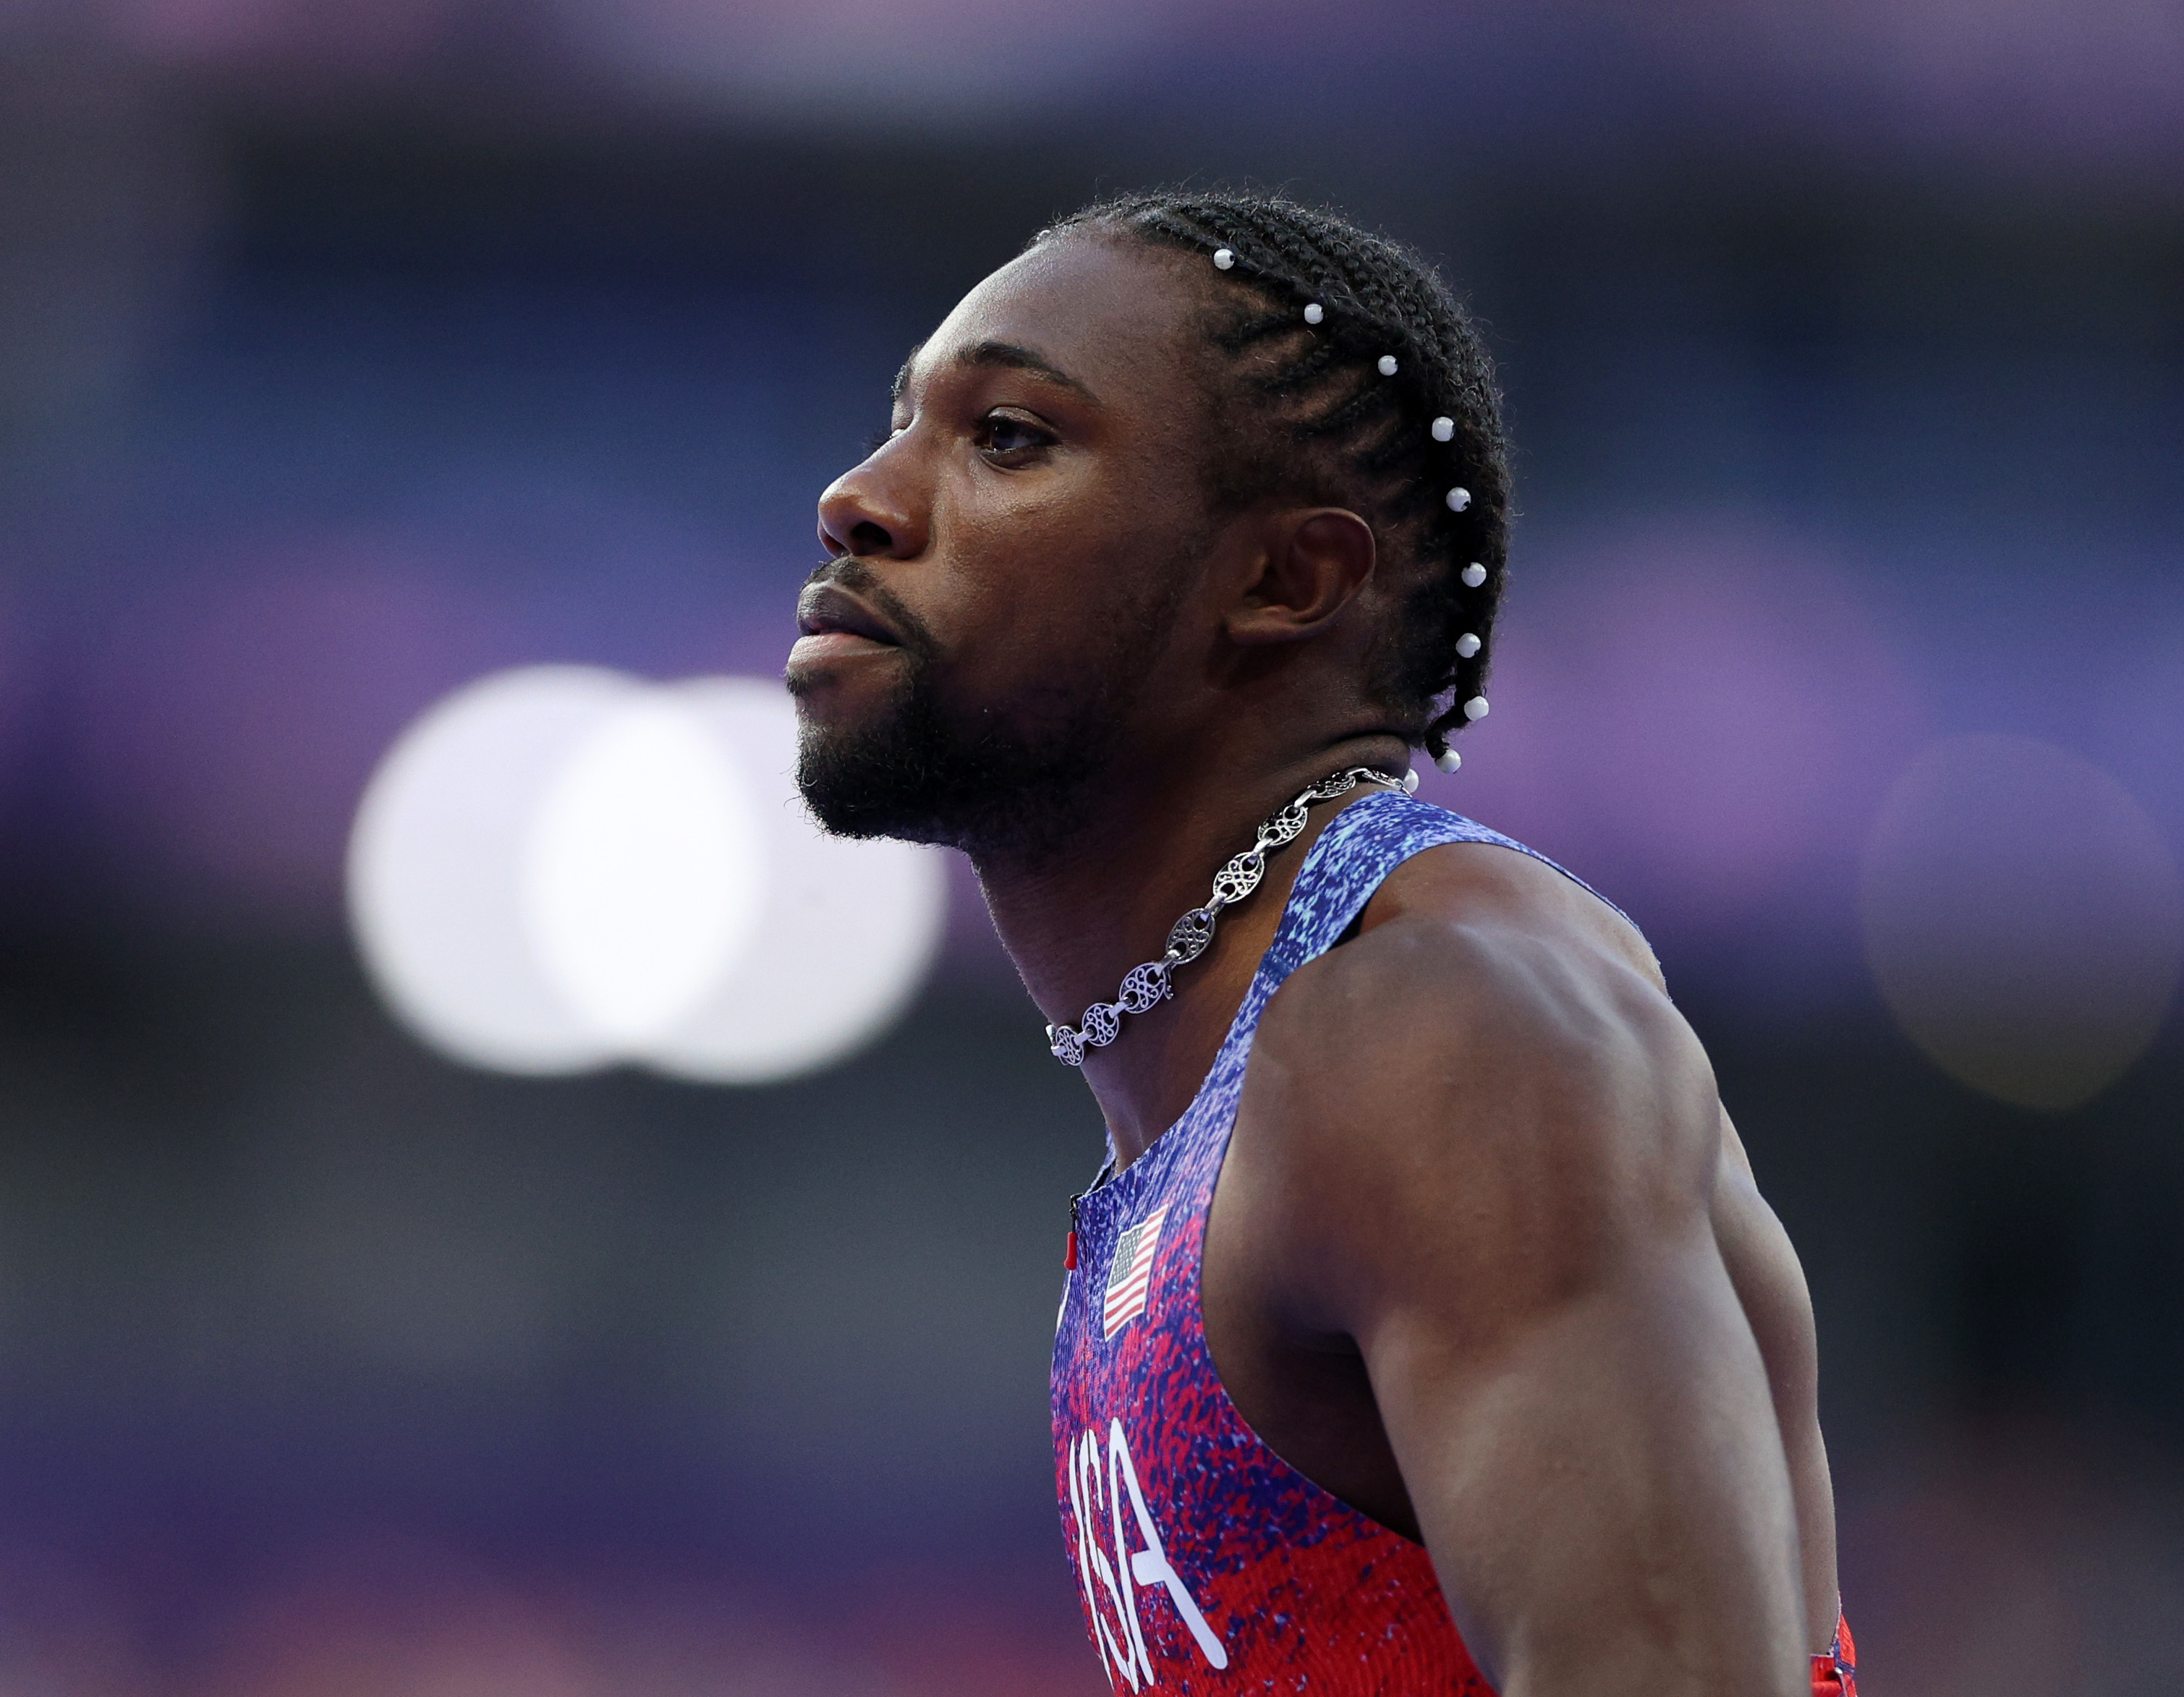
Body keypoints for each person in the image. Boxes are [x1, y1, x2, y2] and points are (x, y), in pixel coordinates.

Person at [784, 190, 1857, 1697]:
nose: (858, 497)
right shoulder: (1208, 1097)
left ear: (1281, 582)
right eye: (899, 421)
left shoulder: (1444, 1035)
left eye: (1006, 436)